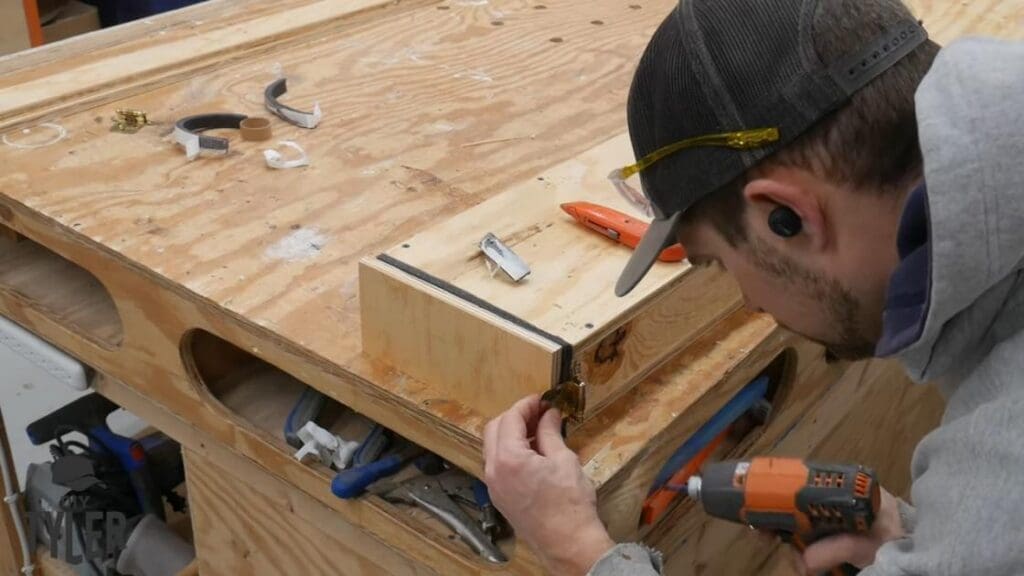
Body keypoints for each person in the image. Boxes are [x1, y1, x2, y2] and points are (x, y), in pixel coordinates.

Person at [482, 0, 1024, 574]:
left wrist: (575, 547)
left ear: (784, 216)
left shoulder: (1004, 463)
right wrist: (924, 541)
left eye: (714, 262)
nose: (750, 303)